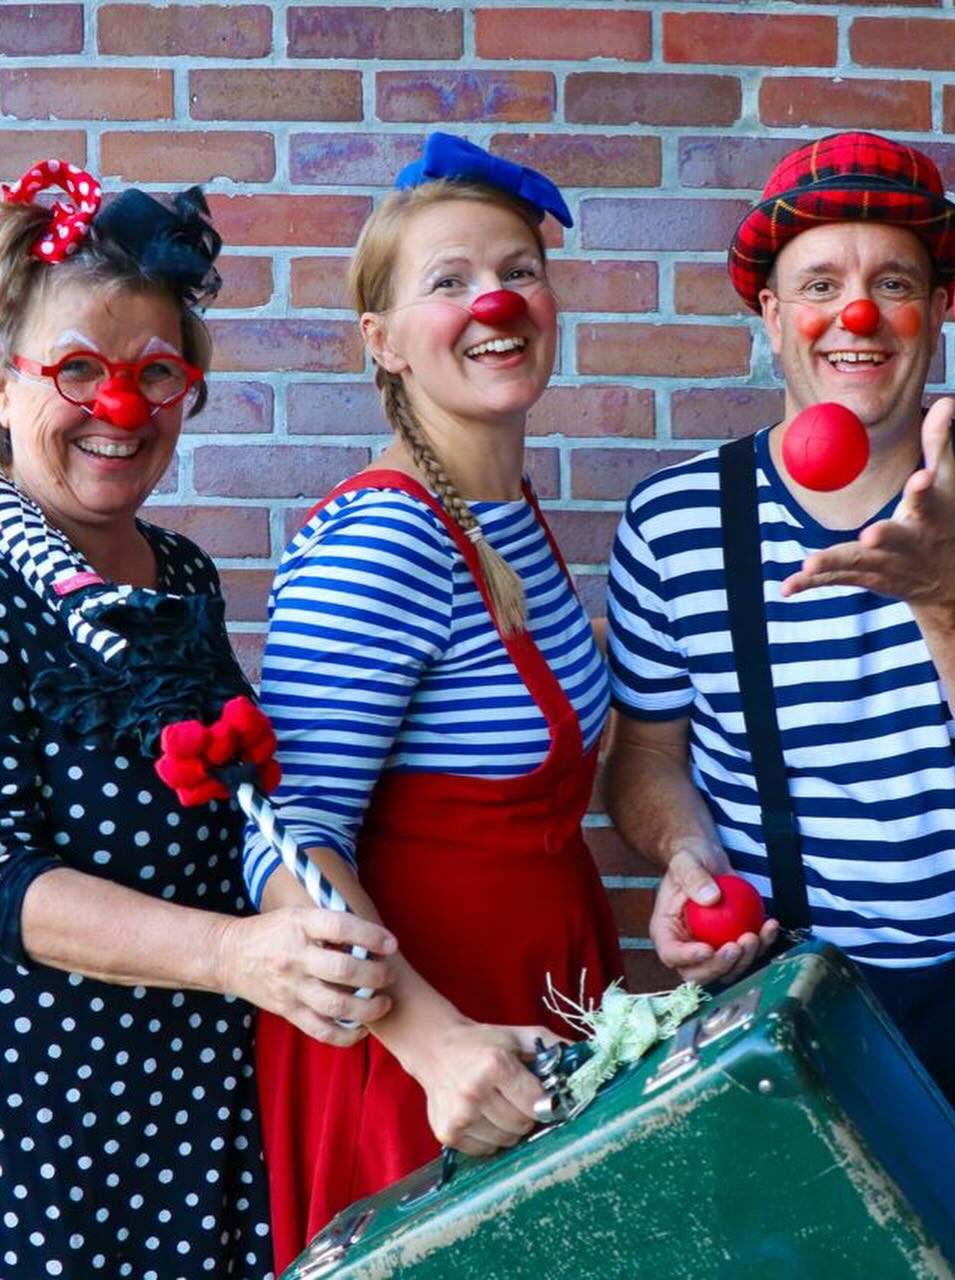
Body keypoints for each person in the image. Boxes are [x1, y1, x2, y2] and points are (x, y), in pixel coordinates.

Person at [605, 131, 955, 1120]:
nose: (856, 315)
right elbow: (643, 756)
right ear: (770, 313)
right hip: (772, 995)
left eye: (893, 283)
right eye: (819, 283)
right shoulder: (671, 521)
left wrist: (950, 589)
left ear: (941, 309)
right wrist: (687, 852)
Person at [0, 160, 395, 1279]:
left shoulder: (178, 569)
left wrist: (311, 927)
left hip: (203, 1098)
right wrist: (236, 952)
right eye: (77, 369)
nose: (119, 409)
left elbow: (240, 803)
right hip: (47, 1131)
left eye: (154, 371)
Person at [245, 133, 624, 1270]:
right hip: (419, 1054)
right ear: (383, 342)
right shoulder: (388, 535)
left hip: (534, 1001)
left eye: (517, 269)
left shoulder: (500, 505)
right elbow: (283, 835)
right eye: (448, 281)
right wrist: (430, 1039)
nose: (493, 300)